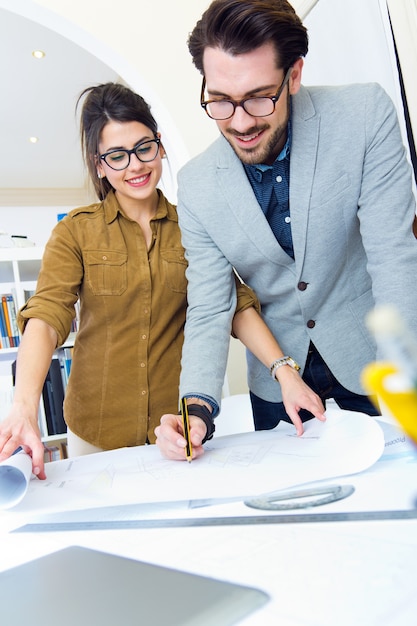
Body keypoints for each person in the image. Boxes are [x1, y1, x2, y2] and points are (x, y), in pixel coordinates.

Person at [0, 81, 324, 477]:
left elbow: (234, 305)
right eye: (116, 156)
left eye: (143, 148)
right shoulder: (75, 232)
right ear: (99, 164)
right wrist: (23, 406)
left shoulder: (193, 225)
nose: (135, 166)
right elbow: (48, 316)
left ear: (160, 145)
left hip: (175, 431)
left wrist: (284, 372)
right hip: (96, 434)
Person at [155, 0, 417, 460]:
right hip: (279, 388)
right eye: (219, 100)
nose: (239, 122)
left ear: (293, 75)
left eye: (259, 97)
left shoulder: (363, 114)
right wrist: (195, 407)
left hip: (374, 358)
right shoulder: (196, 184)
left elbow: (393, 255)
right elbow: (211, 305)